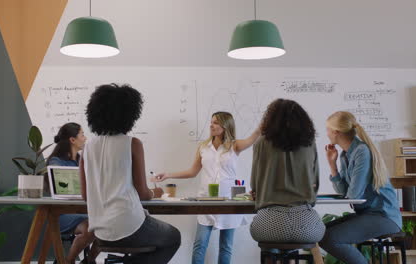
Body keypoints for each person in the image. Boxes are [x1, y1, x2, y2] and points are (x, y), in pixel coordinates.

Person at [79, 83, 181, 264]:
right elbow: (143, 193)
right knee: (173, 237)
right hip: (129, 225)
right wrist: (155, 193)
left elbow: (85, 195)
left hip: (100, 231)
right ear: (130, 114)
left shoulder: (87, 148)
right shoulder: (132, 143)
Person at [152, 111, 261, 264]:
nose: (211, 125)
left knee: (226, 246)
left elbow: (253, 138)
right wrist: (168, 175)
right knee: (200, 244)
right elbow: (192, 172)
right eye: (211, 121)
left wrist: (262, 126)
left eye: (215, 122)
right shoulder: (203, 147)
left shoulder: (234, 145)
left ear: (225, 125)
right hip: (206, 201)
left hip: (230, 202)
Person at [319, 111, 402, 264]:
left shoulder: (361, 152)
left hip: (384, 216)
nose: (327, 133)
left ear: (336, 132)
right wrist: (332, 164)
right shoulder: (345, 154)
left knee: (331, 239)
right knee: (320, 233)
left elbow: (352, 196)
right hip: (368, 214)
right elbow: (345, 193)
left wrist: (349, 194)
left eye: (328, 129)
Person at [250, 99, 325, 247]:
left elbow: (255, 185)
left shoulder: (261, 142)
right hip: (306, 225)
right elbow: (315, 183)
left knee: (265, 236)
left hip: (269, 224)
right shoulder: (310, 143)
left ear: (270, 119)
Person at [47, 122, 97, 264]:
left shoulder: (82, 160)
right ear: (72, 140)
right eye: (82, 134)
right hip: (62, 214)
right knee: (91, 227)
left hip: (81, 211)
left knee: (105, 223)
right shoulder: (56, 162)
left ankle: (89, 259)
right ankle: (68, 261)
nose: (85, 138)